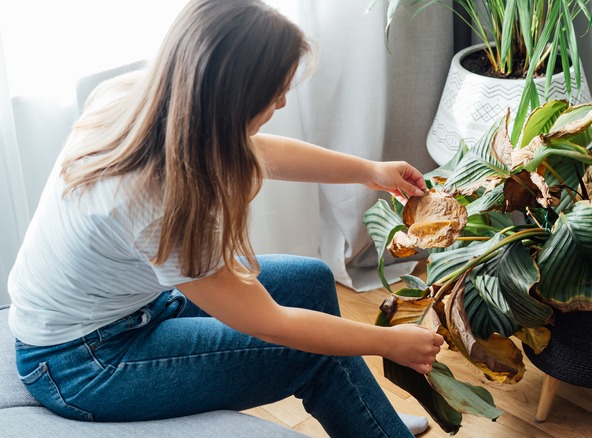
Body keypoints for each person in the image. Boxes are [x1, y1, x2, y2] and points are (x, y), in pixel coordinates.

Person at [7, 0, 444, 436]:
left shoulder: (145, 98)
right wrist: (389, 343)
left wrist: (369, 171)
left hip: (129, 310)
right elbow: (272, 323)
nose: (283, 102)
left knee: (310, 278)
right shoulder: (161, 201)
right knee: (312, 352)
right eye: (275, 96)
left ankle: (361, 413)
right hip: (83, 363)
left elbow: (259, 150)